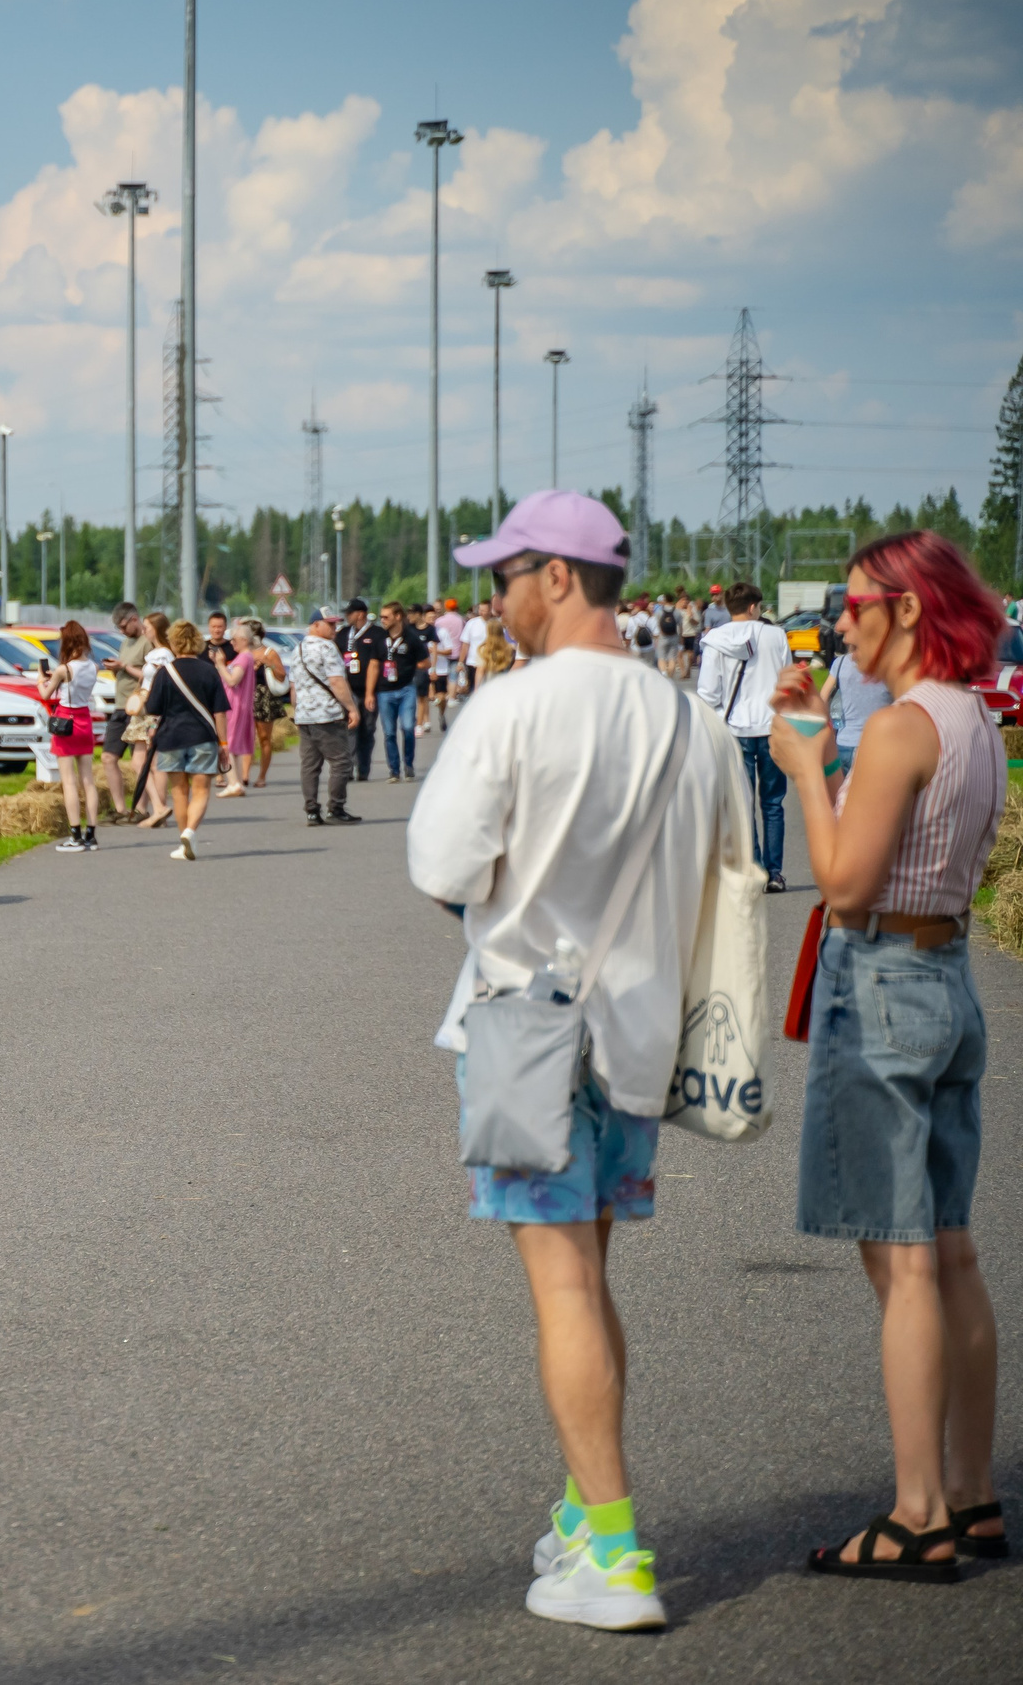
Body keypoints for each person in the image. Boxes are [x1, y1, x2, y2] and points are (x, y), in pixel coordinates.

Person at [410, 489, 756, 1634]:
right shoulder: (691, 721)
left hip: (526, 1031)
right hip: (640, 1040)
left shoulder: (511, 708)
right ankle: (578, 1512)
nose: (491, 599)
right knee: (591, 1282)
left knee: (560, 1288)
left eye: (502, 575)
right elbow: (727, 869)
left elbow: (442, 866)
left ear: (556, 576)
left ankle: (611, 1553)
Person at [766, 531, 1007, 1582]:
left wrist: (804, 769)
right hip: (948, 977)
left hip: (881, 983)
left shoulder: (906, 728)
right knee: (950, 1249)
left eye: (854, 602)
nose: (841, 620)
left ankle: (915, 1513)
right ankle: (970, 1492)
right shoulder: (974, 720)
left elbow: (845, 882)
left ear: (907, 610)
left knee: (899, 1256)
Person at [698, 580, 796, 892]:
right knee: (773, 803)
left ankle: (753, 868)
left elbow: (707, 693)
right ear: (754, 607)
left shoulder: (715, 640)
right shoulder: (776, 635)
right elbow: (789, 682)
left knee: (742, 804)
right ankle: (775, 873)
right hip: (771, 728)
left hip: (734, 731)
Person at [145, 619, 230, 862]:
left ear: (173, 641)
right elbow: (220, 712)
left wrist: (151, 735)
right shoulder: (209, 671)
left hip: (171, 738)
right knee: (201, 790)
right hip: (203, 737)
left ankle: (184, 839)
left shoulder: (165, 672)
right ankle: (191, 833)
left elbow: (153, 710)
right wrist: (223, 745)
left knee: (179, 792)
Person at [37, 621, 102, 850]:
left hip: (66, 721)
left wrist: (40, 679)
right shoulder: (93, 666)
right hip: (85, 720)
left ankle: (75, 835)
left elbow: (46, 693)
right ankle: (91, 834)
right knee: (88, 781)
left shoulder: (64, 669)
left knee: (69, 781)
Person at [294, 607, 360, 827]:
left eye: (335, 624)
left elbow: (294, 686)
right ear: (315, 625)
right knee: (341, 762)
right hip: (328, 715)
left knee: (310, 766)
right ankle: (336, 807)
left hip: (305, 716)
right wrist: (351, 708)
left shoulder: (298, 649)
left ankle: (311, 810)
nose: (335, 628)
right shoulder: (327, 648)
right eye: (330, 624)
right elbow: (337, 682)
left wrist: (298, 711)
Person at [121, 612, 172, 825]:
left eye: (148, 626)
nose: (144, 629)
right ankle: (158, 807)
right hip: (149, 710)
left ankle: (159, 807)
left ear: (157, 629)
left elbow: (162, 683)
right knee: (148, 761)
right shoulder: (159, 653)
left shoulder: (161, 654)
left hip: (151, 712)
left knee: (143, 761)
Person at [100, 601, 147, 821]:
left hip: (139, 708)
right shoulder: (125, 643)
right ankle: (120, 809)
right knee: (108, 757)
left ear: (134, 619)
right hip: (120, 707)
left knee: (139, 762)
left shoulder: (148, 642)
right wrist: (116, 669)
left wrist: (124, 668)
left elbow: (151, 675)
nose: (121, 631)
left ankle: (141, 808)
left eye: (123, 626)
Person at [375, 601, 430, 782]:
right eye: (381, 617)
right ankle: (394, 770)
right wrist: (369, 692)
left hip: (406, 689)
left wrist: (409, 666)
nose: (382, 620)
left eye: (386, 617)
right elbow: (374, 665)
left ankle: (408, 764)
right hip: (384, 691)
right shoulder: (380, 638)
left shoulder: (411, 638)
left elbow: (426, 662)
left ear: (398, 617)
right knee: (389, 732)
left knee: (407, 728)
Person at [338, 598, 385, 782]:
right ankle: (348, 768)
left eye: (349, 613)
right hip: (348, 690)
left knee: (367, 729)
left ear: (360, 614)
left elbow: (377, 662)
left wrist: (369, 693)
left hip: (368, 692)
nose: (346, 616)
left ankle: (363, 768)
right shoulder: (342, 634)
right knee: (349, 729)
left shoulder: (377, 634)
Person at [826, 649, 890, 775]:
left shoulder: (840, 663)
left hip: (845, 741)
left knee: (842, 793)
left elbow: (823, 696)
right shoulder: (889, 663)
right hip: (878, 744)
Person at [215, 614, 257, 797]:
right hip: (241, 705)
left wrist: (220, 665)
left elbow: (233, 680)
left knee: (227, 744)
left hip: (234, 705)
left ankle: (232, 782)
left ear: (243, 640)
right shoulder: (247, 657)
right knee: (236, 746)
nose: (231, 643)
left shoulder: (243, 658)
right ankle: (237, 782)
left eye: (234, 639)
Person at [246, 619, 288, 789]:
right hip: (246, 697)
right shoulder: (242, 653)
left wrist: (267, 663)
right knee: (246, 738)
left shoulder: (269, 653)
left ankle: (262, 775)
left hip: (264, 698)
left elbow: (282, 675)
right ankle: (244, 774)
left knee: (264, 738)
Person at [429, 597, 464, 731]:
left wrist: (436, 651)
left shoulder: (440, 623)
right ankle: (452, 697)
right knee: (453, 677)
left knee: (441, 693)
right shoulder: (460, 620)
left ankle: (443, 703)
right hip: (456, 653)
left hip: (444, 658)